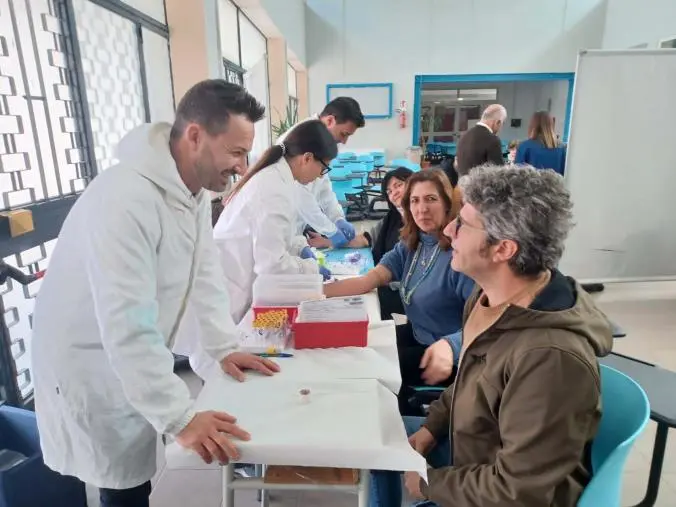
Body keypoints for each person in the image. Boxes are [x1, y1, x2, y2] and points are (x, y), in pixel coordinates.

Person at [31, 80, 281, 507]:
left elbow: (205, 273)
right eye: (236, 152)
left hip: (127, 354)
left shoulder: (192, 190)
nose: (243, 167)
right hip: (89, 364)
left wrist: (224, 346)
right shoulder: (125, 198)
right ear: (196, 135)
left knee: (132, 476)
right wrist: (182, 417)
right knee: (118, 485)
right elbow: (127, 324)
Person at [371, 164, 613, 507]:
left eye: (463, 224)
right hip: (471, 449)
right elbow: (470, 381)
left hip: (499, 493)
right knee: (375, 440)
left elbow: (519, 491)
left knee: (378, 452)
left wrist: (430, 484)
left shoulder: (550, 358)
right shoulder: (489, 299)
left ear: (503, 249)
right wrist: (430, 427)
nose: (450, 230)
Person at [178, 120, 339, 382]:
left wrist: (301, 248)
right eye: (323, 168)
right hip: (229, 291)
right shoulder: (272, 188)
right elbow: (272, 265)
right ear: (307, 158)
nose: (321, 176)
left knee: (238, 367)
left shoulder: (280, 180)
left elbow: (283, 234)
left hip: (238, 287)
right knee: (225, 376)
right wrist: (310, 268)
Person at [323, 170, 474, 415]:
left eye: (431, 199)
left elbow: (486, 322)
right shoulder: (412, 243)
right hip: (419, 334)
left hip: (449, 353)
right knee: (365, 345)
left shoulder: (460, 254)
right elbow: (368, 281)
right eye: (415, 200)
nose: (422, 208)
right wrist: (315, 293)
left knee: (381, 370)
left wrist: (451, 346)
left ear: (448, 203)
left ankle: (406, 428)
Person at [308, 167, 414, 319]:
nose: (394, 193)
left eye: (398, 185)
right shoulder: (392, 220)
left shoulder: (428, 235)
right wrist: (327, 241)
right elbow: (366, 239)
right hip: (394, 287)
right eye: (389, 191)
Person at [278, 97, 366, 247]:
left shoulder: (321, 142)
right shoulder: (302, 137)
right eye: (344, 134)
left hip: (295, 230)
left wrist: (338, 218)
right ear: (330, 120)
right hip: (282, 227)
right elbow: (300, 195)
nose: (344, 142)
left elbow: (324, 187)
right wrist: (330, 230)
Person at [455, 104, 507, 176]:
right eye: (503, 123)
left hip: (463, 185)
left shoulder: (464, 136)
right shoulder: (492, 140)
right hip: (481, 186)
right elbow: (499, 174)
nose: (501, 128)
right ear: (498, 122)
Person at [516, 110, 567, 175]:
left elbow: (517, 175)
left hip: (531, 184)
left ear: (532, 125)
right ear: (551, 125)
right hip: (555, 184)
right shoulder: (562, 148)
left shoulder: (524, 147)